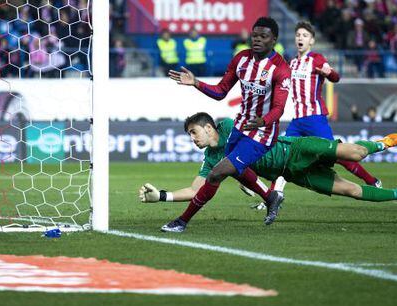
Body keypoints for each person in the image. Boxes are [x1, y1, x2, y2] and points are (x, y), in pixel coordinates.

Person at [139, 113, 397, 232]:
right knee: (350, 190)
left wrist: (248, 178)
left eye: (194, 132)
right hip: (292, 173)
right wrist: (162, 196)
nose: (192, 138)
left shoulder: (229, 126)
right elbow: (196, 189)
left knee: (356, 154)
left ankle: (386, 142)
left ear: (209, 127)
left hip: (295, 150)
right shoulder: (212, 160)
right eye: (190, 135)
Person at [166, 17, 291, 231]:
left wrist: (263, 120)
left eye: (264, 36)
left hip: (262, 133)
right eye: (255, 36)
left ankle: (182, 221)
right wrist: (196, 83)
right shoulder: (241, 59)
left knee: (216, 172)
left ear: (274, 40)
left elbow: (279, 108)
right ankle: (271, 197)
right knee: (235, 171)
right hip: (241, 127)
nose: (257, 40)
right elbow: (221, 91)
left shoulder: (280, 68)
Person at [257, 21, 381, 203]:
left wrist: (329, 72)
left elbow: (335, 77)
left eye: (305, 36)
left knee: (336, 154)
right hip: (297, 121)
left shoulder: (316, 59)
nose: (300, 38)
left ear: (312, 41)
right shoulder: (292, 63)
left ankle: (371, 180)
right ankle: (272, 197)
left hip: (315, 119)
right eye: (298, 35)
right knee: (283, 157)